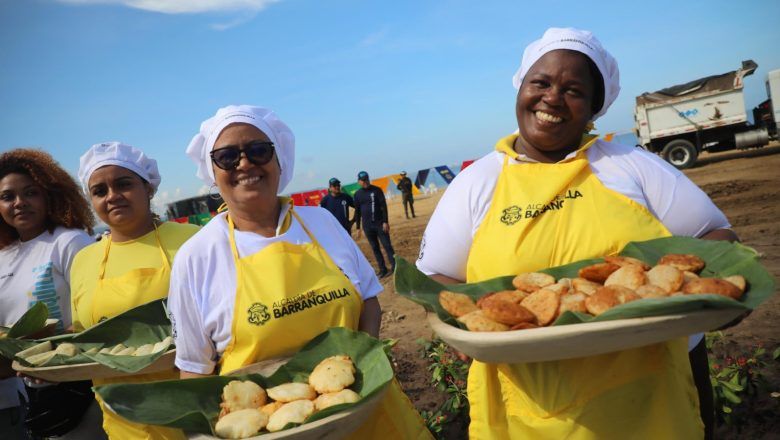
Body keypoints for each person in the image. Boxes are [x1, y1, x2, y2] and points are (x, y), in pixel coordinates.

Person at [416, 28, 735, 439]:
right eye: (541, 82)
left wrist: (712, 293)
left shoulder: (631, 165)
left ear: (592, 109)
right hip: (525, 409)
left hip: (652, 400)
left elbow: (717, 235)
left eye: (573, 90)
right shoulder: (476, 183)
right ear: (521, 87)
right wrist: (460, 328)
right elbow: (437, 279)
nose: (552, 98)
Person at [168, 105, 431, 439]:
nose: (245, 163)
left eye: (259, 150)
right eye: (227, 156)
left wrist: (364, 370)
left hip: (366, 413)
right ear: (212, 169)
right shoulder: (197, 257)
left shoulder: (321, 223)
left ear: (280, 160)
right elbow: (194, 370)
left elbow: (368, 301)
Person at [70, 142, 199, 440]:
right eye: (100, 191)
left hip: (196, 414)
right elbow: (83, 338)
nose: (112, 196)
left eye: (123, 184)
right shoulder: (84, 261)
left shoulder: (192, 241)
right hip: (122, 423)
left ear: (148, 188)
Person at [0, 149, 98, 440]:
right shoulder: (4, 255)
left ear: (50, 195)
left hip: (76, 386)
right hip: (28, 392)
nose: (19, 203)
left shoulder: (69, 241)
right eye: (7, 196)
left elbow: (92, 317)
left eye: (31, 192)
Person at [353, 171, 395, 278]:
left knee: (387, 246)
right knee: (375, 248)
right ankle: (383, 269)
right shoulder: (357, 194)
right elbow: (357, 212)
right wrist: (358, 227)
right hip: (367, 226)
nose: (365, 181)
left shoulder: (377, 190)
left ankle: (395, 267)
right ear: (359, 181)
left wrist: (385, 221)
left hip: (380, 224)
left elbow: (383, 206)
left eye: (366, 179)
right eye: (363, 180)